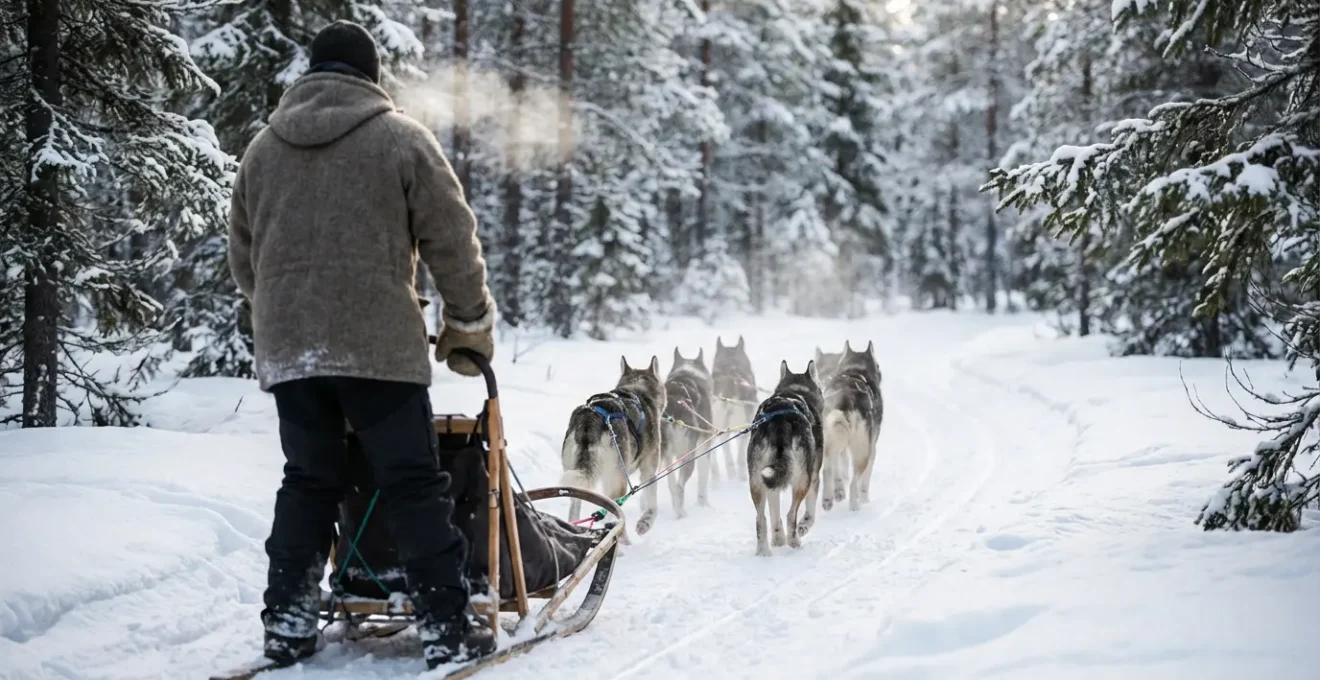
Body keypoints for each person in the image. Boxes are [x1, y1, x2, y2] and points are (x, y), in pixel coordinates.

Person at [227, 20, 498, 670]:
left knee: (308, 481)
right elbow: (451, 237)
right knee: (411, 481)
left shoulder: (262, 150)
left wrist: (278, 313)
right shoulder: (401, 139)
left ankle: (288, 624)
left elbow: (243, 258)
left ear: (311, 76)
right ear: (371, 77)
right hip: (376, 343)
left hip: (291, 351)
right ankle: (444, 624)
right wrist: (468, 324)